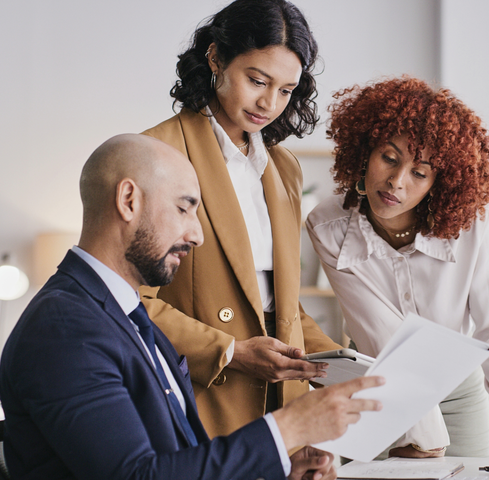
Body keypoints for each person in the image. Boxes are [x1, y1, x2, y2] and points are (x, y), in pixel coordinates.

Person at [0, 134, 384, 480]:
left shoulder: (125, 314)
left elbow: (178, 462)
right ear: (128, 200)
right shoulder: (65, 328)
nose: (196, 234)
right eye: (185, 209)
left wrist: (281, 467)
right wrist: (289, 429)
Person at [306, 77, 489, 462]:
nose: (396, 182)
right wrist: (421, 437)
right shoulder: (327, 225)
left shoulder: (471, 224)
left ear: (439, 182)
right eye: (389, 157)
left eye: (419, 172)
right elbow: (378, 332)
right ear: (366, 150)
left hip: (460, 390)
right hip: (377, 387)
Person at [140, 0, 342, 438]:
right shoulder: (157, 154)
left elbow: (279, 305)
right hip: (201, 392)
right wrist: (230, 351)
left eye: (286, 90)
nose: (269, 103)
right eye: (257, 80)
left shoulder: (284, 168)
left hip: (280, 399)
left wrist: (346, 364)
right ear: (215, 57)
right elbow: (130, 301)